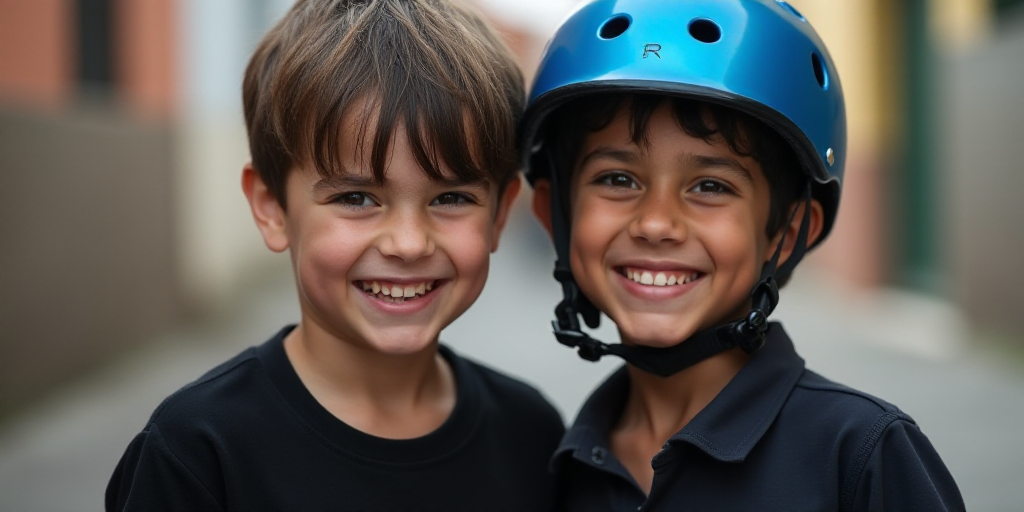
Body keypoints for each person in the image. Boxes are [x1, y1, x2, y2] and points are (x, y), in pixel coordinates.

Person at [105, 0, 564, 510]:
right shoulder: (197, 451)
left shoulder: (532, 433)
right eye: (356, 198)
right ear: (272, 208)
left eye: (450, 198)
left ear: (500, 215)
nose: (408, 244)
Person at [519, 0, 965, 510]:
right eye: (617, 179)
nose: (657, 224)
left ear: (787, 232)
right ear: (554, 214)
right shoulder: (559, 464)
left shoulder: (861, 455)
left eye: (710, 186)